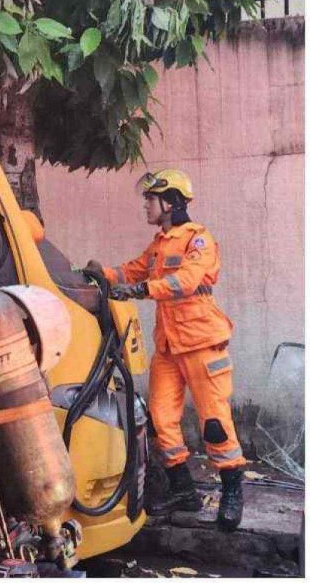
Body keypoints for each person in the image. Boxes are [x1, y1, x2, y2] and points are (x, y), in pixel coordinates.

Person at [83, 169, 243, 531]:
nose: (146, 206)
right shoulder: (159, 243)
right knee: (160, 419)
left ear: (169, 202)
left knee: (214, 423)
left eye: (150, 199)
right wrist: (99, 273)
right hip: (169, 346)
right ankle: (183, 490)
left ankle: (233, 490)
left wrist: (140, 292)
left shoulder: (197, 240)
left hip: (202, 342)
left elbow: (184, 281)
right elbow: (133, 271)